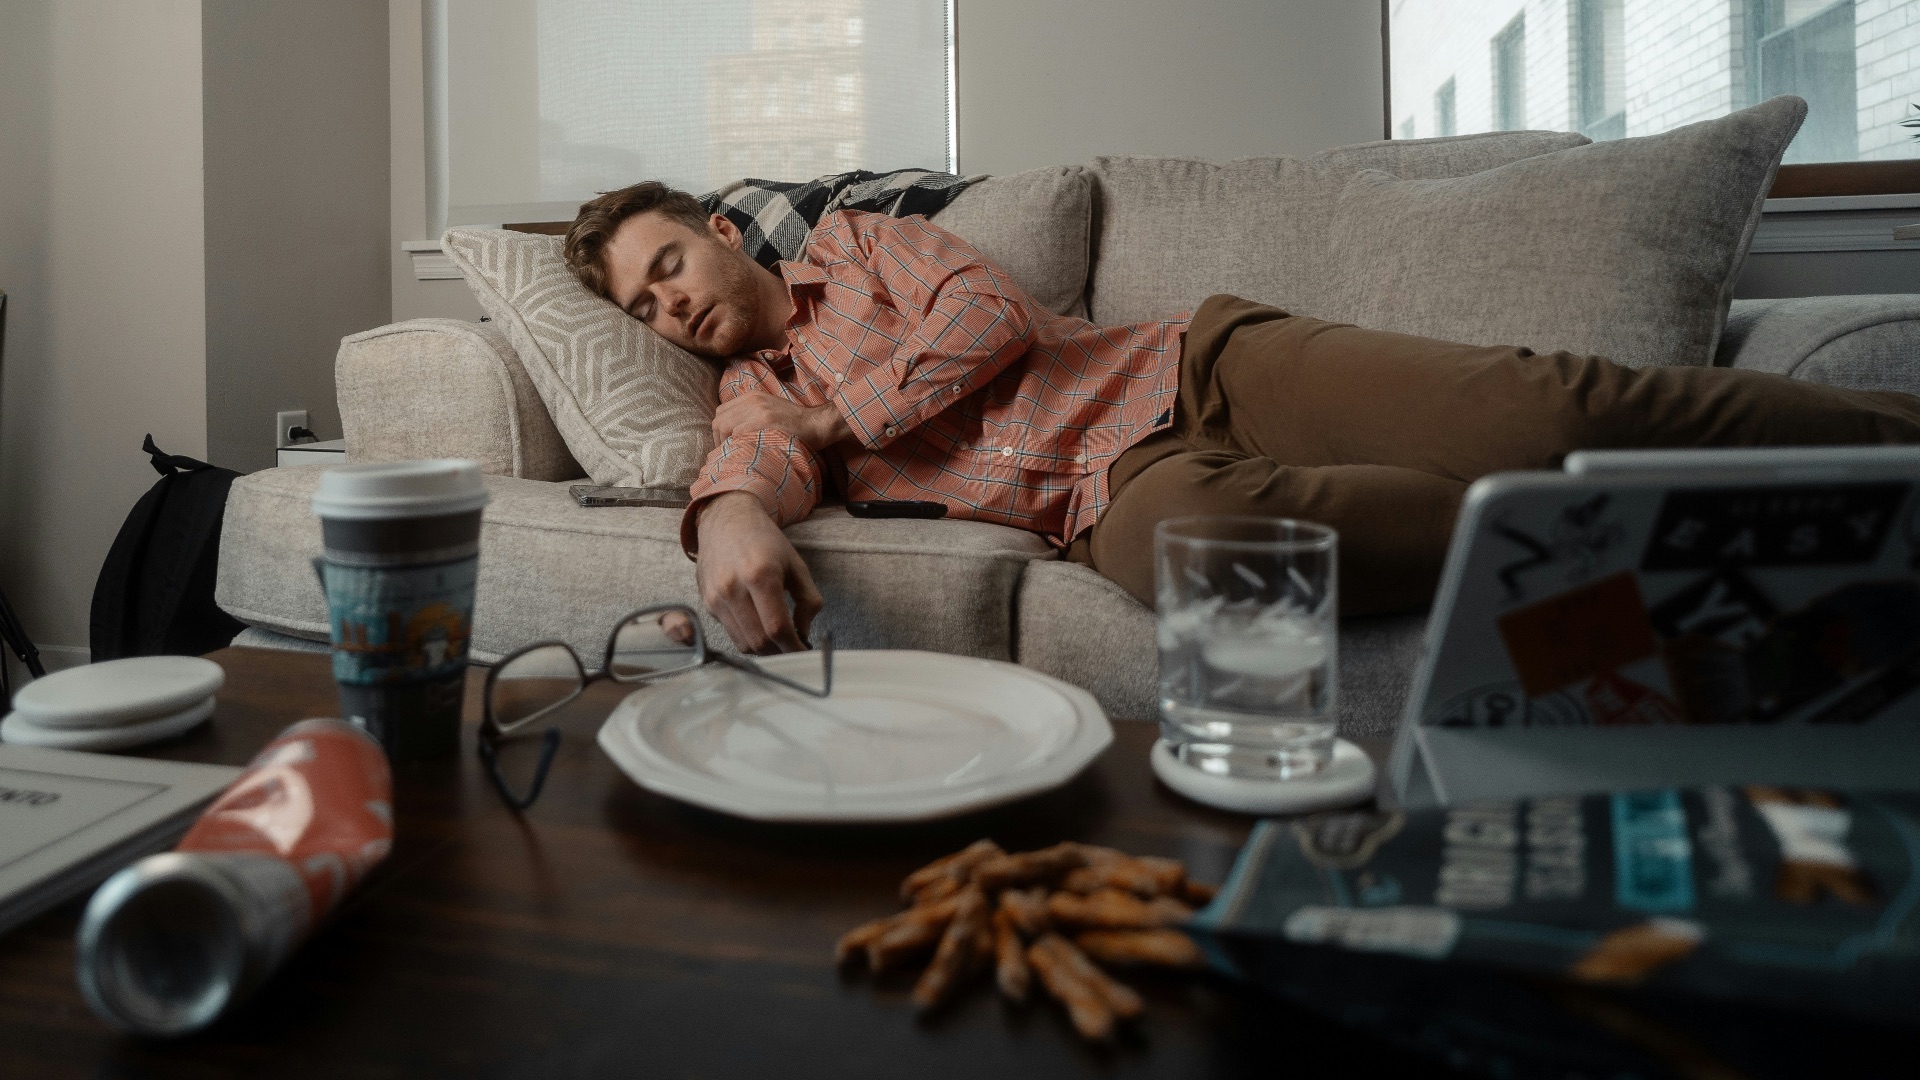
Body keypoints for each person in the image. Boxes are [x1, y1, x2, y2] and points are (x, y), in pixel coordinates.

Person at [563, 181, 1920, 655]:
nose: (669, 309)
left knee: (1543, 405)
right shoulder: (753, 401)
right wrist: (736, 510)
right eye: (645, 310)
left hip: (1208, 368)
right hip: (1114, 495)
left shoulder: (863, 245)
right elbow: (743, 471)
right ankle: (1682, 535)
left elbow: (988, 323)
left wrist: (841, 427)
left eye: (668, 267)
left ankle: (1892, 448)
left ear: (722, 231)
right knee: (1197, 560)